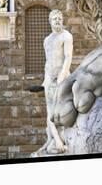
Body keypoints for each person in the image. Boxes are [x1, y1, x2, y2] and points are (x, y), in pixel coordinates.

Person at [34, 9, 73, 156]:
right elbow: (48, 62)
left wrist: (63, 75)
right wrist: (46, 80)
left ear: (62, 20)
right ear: (50, 21)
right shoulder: (47, 40)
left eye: (59, 18)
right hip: (49, 79)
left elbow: (68, 57)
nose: (57, 21)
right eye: (54, 19)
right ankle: (55, 140)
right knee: (50, 111)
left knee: (63, 110)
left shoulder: (66, 36)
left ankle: (65, 139)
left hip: (62, 78)